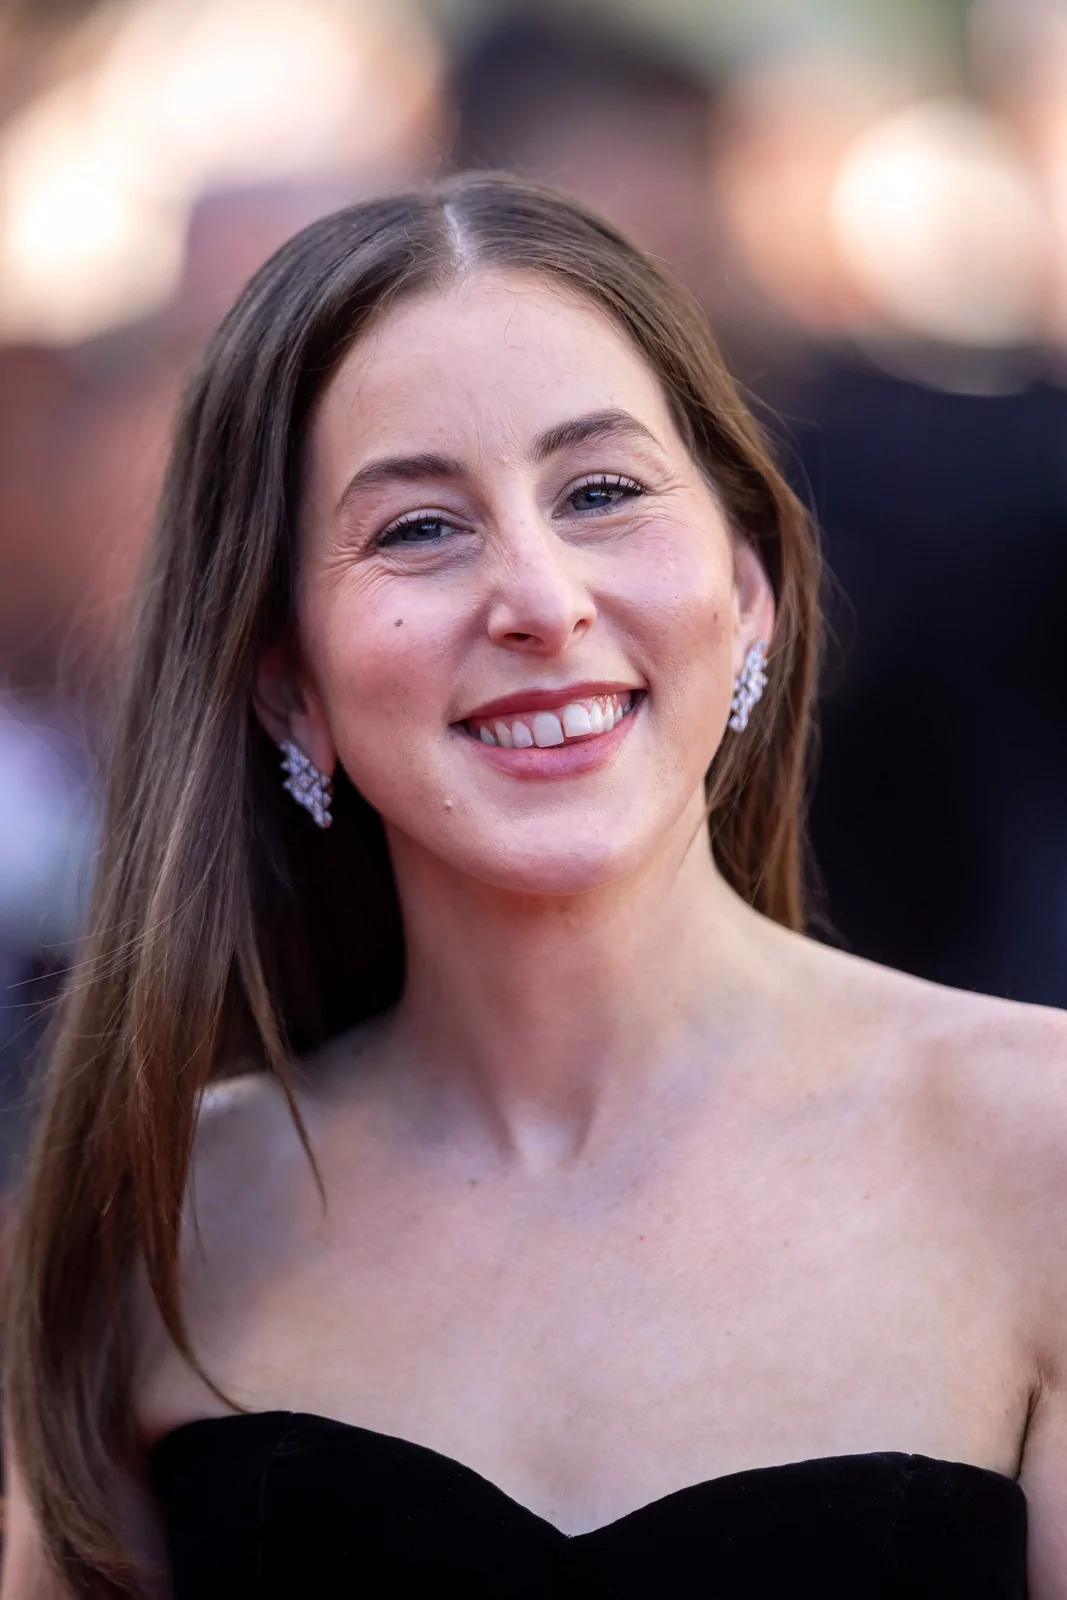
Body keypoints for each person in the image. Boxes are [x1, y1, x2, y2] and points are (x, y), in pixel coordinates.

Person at [1, 173, 1064, 1599]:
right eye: (418, 529)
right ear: (287, 682)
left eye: (602, 494)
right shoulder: (160, 1219)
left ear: (748, 589)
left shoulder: (1036, 1147)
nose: (544, 601)